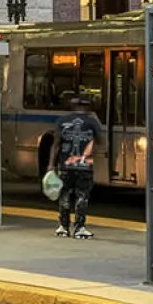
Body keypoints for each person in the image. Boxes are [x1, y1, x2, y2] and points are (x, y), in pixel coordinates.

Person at [52, 91, 100, 239]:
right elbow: (101, 141)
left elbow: (56, 145)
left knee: (65, 195)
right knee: (82, 196)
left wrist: (50, 165)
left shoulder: (62, 121)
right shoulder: (92, 122)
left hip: (66, 166)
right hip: (85, 166)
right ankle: (80, 228)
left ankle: (63, 227)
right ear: (87, 106)